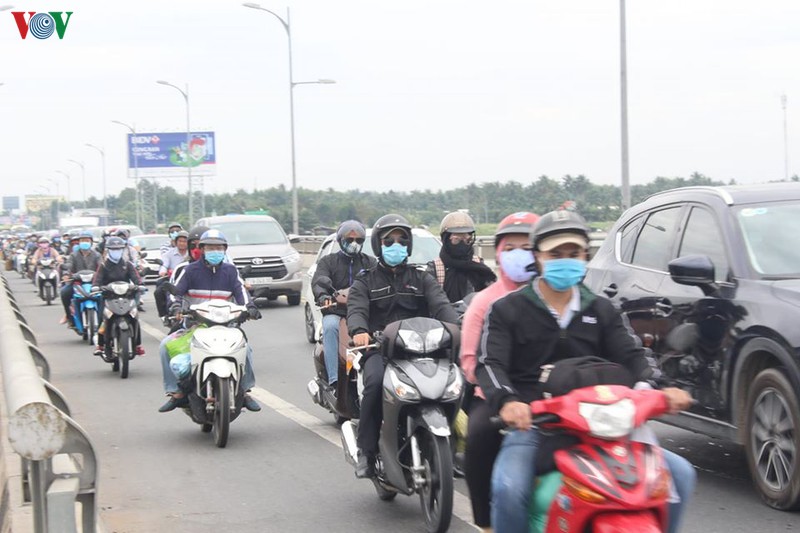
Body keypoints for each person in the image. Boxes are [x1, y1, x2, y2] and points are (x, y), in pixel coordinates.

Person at [475, 209, 696, 533]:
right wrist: (508, 402)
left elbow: (633, 355)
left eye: (574, 253)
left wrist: (661, 387)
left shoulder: (602, 309)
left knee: (680, 475)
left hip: (603, 426)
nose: (565, 261)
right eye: (555, 254)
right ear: (538, 257)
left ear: (585, 257)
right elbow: (490, 363)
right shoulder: (507, 309)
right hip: (537, 425)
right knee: (509, 488)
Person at [347, 214, 459, 478]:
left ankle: (451, 448)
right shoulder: (365, 281)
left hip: (421, 351)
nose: (395, 245)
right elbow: (356, 309)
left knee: (452, 383)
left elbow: (441, 305)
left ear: (408, 246)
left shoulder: (422, 278)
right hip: (380, 351)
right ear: (379, 245)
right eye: (389, 241)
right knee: (375, 384)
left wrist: (456, 327)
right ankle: (367, 452)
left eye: (401, 240)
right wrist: (360, 331)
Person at [459, 211, 540, 532]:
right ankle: (486, 522)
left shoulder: (563, 298)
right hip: (492, 394)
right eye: (510, 248)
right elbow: (471, 361)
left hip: (553, 394)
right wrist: (502, 394)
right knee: (479, 434)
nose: (519, 255)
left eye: (527, 248)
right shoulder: (485, 302)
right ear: (499, 254)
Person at [157, 229, 262, 413]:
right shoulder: (190, 271)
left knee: (246, 349)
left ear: (225, 250)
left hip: (227, 326)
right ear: (202, 249)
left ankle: (245, 391)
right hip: (194, 325)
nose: (215, 251)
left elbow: (242, 293)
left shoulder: (231, 271)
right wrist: (176, 307)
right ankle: (176, 392)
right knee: (165, 346)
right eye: (211, 248)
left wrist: (250, 308)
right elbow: (176, 293)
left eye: (219, 248)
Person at [311, 220, 377, 393]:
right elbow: (319, 281)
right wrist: (323, 296)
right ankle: (334, 380)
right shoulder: (328, 261)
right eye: (349, 239)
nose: (354, 243)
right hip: (337, 312)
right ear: (341, 240)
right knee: (330, 327)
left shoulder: (370, 263)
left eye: (358, 240)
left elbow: (380, 281)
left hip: (364, 313)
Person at [426, 211, 496, 303]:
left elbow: (491, 298)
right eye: (456, 239)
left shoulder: (479, 267)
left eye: (466, 239)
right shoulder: (435, 268)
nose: (462, 243)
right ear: (446, 239)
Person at [92, 237, 145, 357]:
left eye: (119, 249)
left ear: (123, 250)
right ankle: (100, 345)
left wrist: (139, 286)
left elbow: (136, 278)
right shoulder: (103, 266)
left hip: (127, 297)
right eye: (113, 249)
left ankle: (137, 345)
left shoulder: (127, 265)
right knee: (103, 319)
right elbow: (97, 280)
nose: (116, 251)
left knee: (134, 317)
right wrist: (96, 287)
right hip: (108, 297)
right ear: (108, 250)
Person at [59, 230, 102, 326]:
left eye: (87, 240)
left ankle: (104, 318)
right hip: (77, 282)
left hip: (94, 283)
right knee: (64, 293)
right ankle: (69, 316)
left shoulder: (97, 255)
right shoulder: (73, 255)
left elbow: (101, 267)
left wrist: (101, 275)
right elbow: (69, 265)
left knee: (104, 295)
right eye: (82, 240)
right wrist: (66, 273)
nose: (84, 242)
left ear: (91, 242)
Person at [155, 230, 189, 320]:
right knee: (158, 292)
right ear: (175, 242)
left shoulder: (191, 254)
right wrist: (163, 271)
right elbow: (164, 265)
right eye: (180, 241)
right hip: (172, 279)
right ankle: (164, 315)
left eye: (185, 241)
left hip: (188, 279)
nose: (182, 243)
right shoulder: (168, 254)